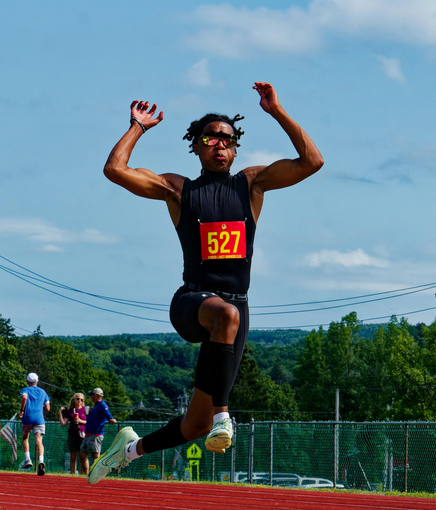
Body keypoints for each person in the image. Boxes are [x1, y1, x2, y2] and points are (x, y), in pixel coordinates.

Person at [88, 81, 323, 484]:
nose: (220, 144)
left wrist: (277, 111)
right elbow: (115, 170)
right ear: (195, 145)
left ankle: (127, 449)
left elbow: (312, 161)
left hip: (236, 310)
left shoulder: (251, 184)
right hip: (193, 302)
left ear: (235, 148)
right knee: (225, 316)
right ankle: (225, 418)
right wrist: (137, 128)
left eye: (228, 139)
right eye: (210, 138)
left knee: (193, 426)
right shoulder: (179, 189)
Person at [18, 372, 50, 476]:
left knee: (25, 437)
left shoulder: (25, 390)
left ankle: (28, 459)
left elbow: (24, 398)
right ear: (37, 381)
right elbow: (48, 408)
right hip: (39, 419)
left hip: (28, 417)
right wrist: (40, 408)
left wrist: (22, 410)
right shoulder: (43, 392)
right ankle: (41, 460)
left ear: (27, 381)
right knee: (39, 440)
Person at [79, 388, 116, 468]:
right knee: (82, 454)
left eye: (91, 395)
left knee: (95, 456)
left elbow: (107, 414)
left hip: (95, 434)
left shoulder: (102, 405)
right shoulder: (96, 405)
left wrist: (111, 419)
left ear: (95, 395)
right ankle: (85, 475)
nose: (91, 397)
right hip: (88, 434)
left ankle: (97, 474)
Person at [59, 392, 89, 474]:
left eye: (81, 399)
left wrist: (80, 421)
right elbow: (63, 423)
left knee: (82, 456)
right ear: (74, 400)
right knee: (73, 457)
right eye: (78, 399)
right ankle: (73, 474)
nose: (79, 401)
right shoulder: (70, 411)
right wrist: (60, 413)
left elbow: (89, 422)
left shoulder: (85, 410)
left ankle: (84, 474)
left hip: (82, 435)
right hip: (72, 435)